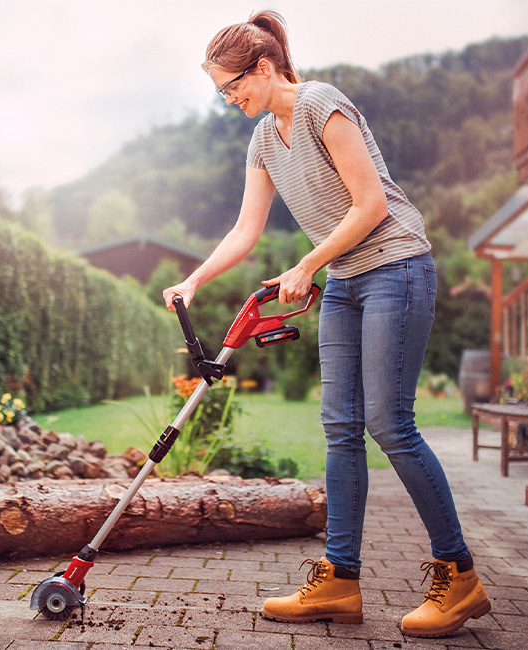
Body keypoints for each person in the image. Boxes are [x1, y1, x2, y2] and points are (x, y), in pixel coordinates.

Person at [162, 10, 491, 638]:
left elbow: (370, 204)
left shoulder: (321, 104)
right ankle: (340, 580)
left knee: (389, 424)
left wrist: (307, 263)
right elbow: (245, 230)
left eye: (234, 86)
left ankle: (460, 575)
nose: (231, 100)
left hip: (395, 265)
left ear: (263, 68)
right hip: (343, 282)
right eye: (221, 93)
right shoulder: (262, 139)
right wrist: (195, 280)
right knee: (340, 427)